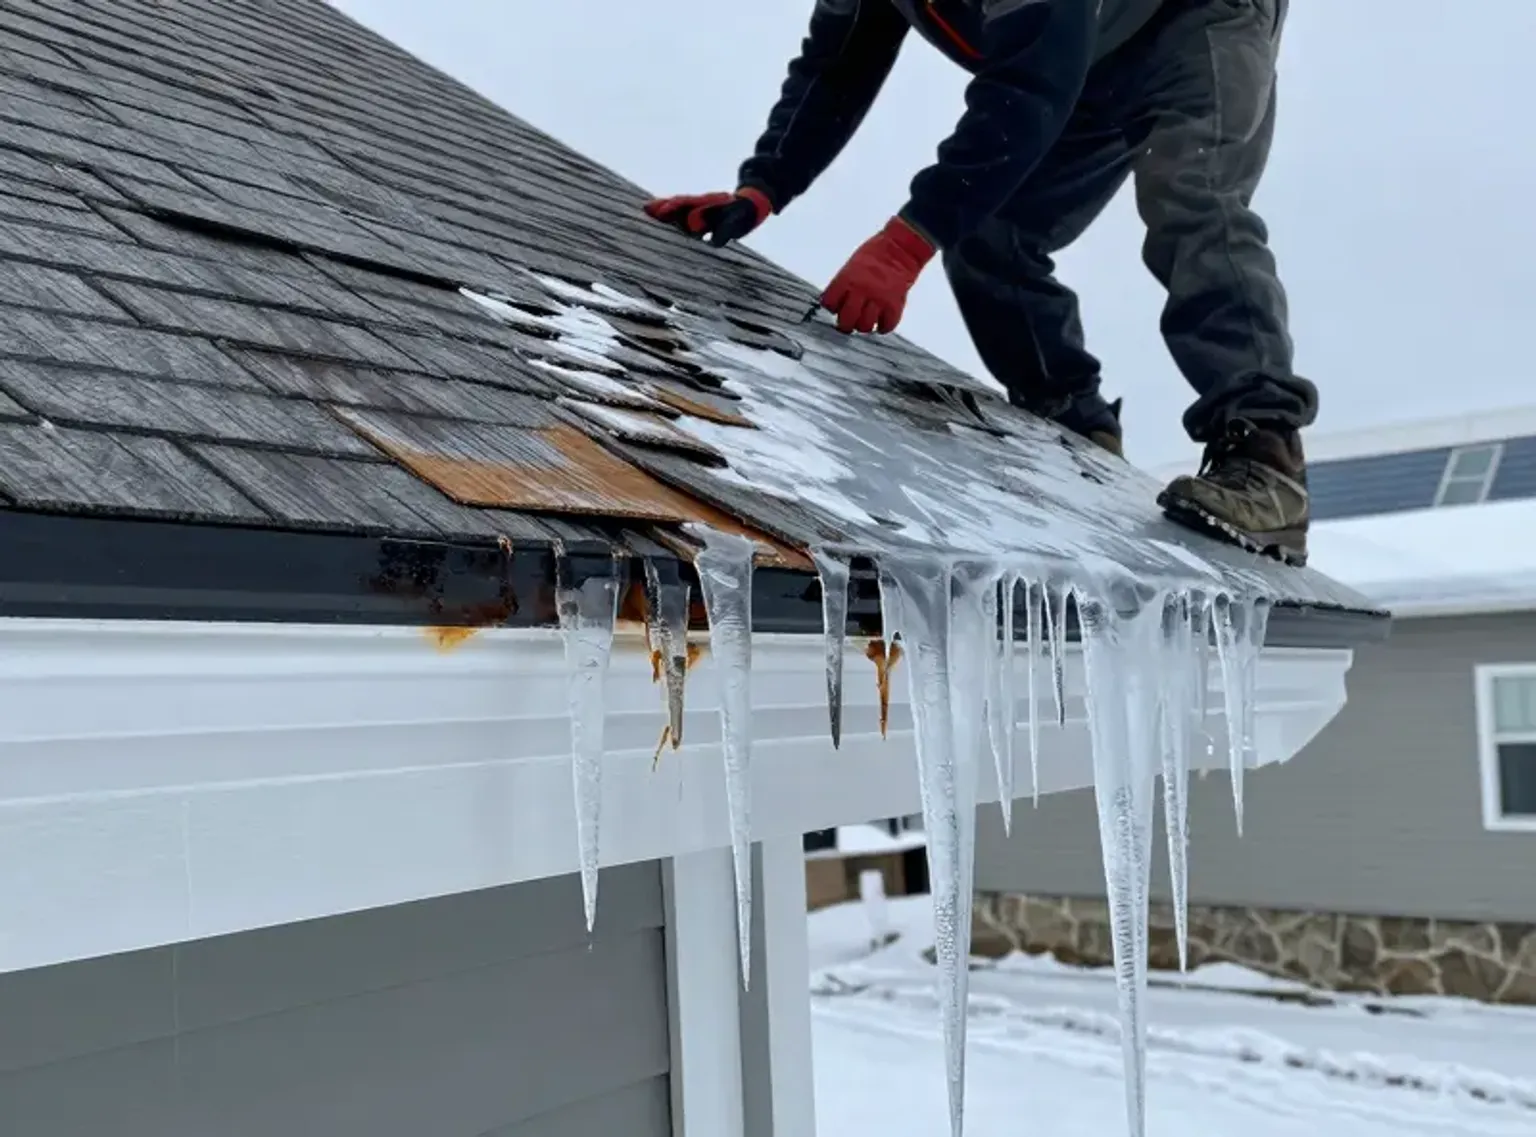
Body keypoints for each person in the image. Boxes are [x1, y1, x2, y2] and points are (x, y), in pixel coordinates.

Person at [643, 0, 1317, 565]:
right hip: (1086, 53)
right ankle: (1073, 426)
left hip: (1198, 19)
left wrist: (903, 244)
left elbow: (1025, 89)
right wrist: (763, 188)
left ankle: (1264, 455)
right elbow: (837, 64)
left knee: (1191, 197)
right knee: (989, 232)